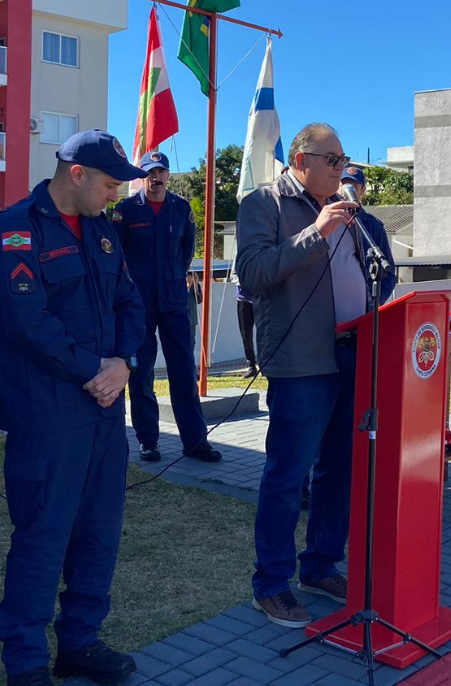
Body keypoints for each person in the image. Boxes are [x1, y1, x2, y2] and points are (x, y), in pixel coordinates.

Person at [0, 129, 147, 686]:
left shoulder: (102, 231)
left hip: (102, 407)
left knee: (99, 531)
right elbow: (25, 323)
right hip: (46, 410)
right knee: (43, 535)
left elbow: (130, 301)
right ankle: (25, 663)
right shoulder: (13, 230)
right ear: (75, 174)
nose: (114, 195)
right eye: (107, 184)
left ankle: (80, 642)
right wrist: (94, 371)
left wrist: (123, 360)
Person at [236, 122, 366, 628]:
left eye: (342, 159)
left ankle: (320, 566)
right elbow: (253, 273)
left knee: (339, 470)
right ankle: (270, 584)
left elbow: (370, 269)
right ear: (301, 159)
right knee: (287, 477)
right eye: (332, 159)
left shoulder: (345, 208)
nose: (341, 168)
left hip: (351, 355)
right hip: (300, 362)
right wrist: (320, 231)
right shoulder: (263, 203)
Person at [114, 151, 220, 464]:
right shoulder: (125, 211)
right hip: (139, 306)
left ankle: (195, 441)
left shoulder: (181, 209)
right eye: (149, 173)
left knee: (183, 373)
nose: (155, 178)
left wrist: (173, 278)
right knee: (141, 374)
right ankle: (148, 441)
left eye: (160, 173)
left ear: (168, 175)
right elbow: (116, 257)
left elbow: (185, 252)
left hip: (174, 303)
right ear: (141, 177)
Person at [339, 165, 398, 305]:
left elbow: (388, 273)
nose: (346, 191)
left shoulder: (373, 227)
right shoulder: (327, 220)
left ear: (363, 191)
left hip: (362, 305)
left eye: (353, 187)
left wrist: (374, 303)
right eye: (343, 185)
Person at [230, 263, 257, 376]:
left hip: (260, 297)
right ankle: (251, 365)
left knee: (265, 332)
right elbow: (233, 275)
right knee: (246, 333)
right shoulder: (239, 255)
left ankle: (267, 364)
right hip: (243, 298)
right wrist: (243, 283)